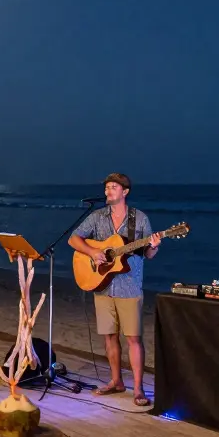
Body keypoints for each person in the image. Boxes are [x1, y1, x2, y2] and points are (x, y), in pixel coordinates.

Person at [68, 173, 162, 405]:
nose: (108, 192)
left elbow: (148, 255)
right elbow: (73, 239)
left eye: (113, 188)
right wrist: (93, 252)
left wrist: (155, 246)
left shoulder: (139, 219)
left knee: (133, 338)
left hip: (129, 286)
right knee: (109, 336)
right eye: (107, 188)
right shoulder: (97, 217)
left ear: (125, 192)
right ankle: (116, 381)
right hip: (103, 285)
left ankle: (138, 389)